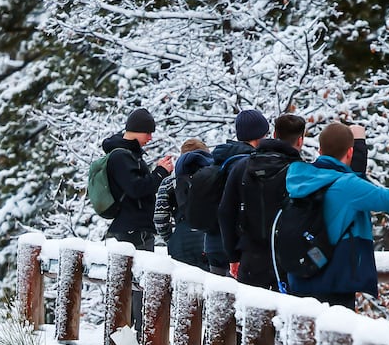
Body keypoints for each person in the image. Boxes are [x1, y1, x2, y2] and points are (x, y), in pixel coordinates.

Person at [284, 122, 389, 309]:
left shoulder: (297, 176)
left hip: (300, 273)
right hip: (336, 282)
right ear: (350, 153)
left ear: (319, 150)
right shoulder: (348, 185)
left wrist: (359, 141)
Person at [218, 112, 307, 290]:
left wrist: (233, 256)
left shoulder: (242, 166)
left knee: (252, 314)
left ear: (274, 135)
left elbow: (225, 212)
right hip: (289, 260)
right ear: (300, 140)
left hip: (250, 257)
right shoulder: (302, 172)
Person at [198, 109, 269, 275]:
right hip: (235, 248)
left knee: (216, 298)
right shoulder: (249, 165)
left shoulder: (219, 160)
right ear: (259, 135)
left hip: (213, 244)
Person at [101, 108, 175, 251]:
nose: (150, 138)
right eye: (148, 133)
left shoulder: (129, 155)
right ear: (136, 130)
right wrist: (160, 172)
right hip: (133, 228)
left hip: (135, 226)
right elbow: (136, 188)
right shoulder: (121, 157)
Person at [155, 138, 211, 268]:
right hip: (208, 239)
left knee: (182, 285)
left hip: (181, 242)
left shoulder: (169, 182)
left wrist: (170, 239)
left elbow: (159, 218)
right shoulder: (215, 176)